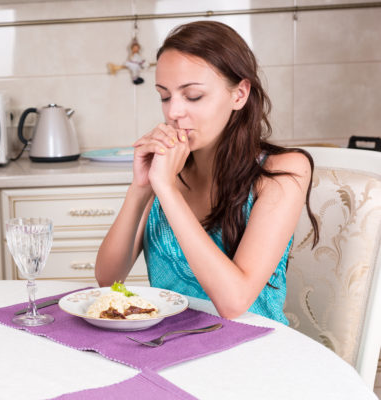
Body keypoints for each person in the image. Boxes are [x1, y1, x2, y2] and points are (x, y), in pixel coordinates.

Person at [95, 21, 318, 325]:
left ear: (239, 94)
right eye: (164, 96)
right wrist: (141, 188)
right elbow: (108, 280)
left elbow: (234, 303)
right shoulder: (165, 169)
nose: (173, 112)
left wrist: (167, 190)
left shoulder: (284, 170)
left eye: (193, 96)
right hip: (169, 342)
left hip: (254, 347)